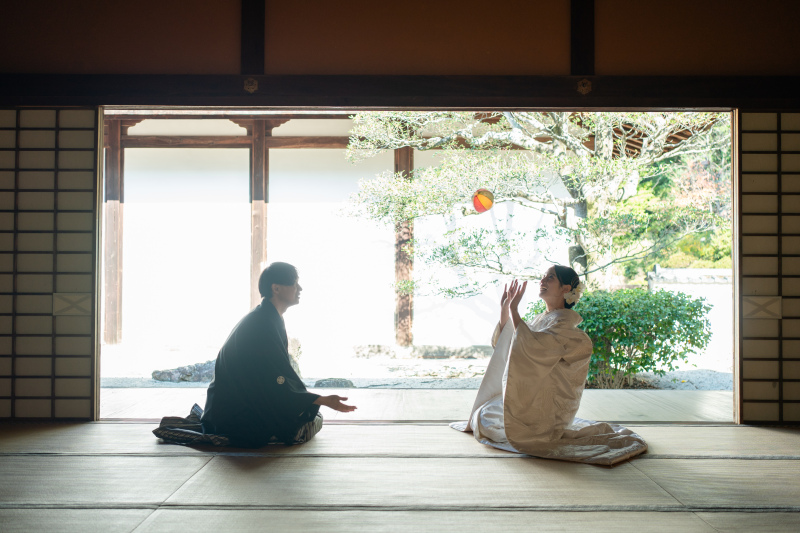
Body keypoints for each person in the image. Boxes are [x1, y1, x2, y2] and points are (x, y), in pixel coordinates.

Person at [450, 265, 647, 465]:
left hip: (549, 409)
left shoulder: (566, 327)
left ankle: (540, 426)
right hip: (535, 399)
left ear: (565, 288)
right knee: (486, 412)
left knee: (486, 420)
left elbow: (533, 346)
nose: (542, 281)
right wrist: (505, 310)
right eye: (543, 277)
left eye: (550, 277)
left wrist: (514, 310)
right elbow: (513, 345)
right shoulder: (544, 320)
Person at [199, 262, 356, 447]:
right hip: (233, 416)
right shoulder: (262, 324)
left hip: (229, 407)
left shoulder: (266, 317)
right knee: (309, 422)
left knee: (311, 414)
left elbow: (273, 375)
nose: (300, 289)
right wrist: (320, 400)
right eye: (295, 284)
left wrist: (310, 400)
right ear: (276, 288)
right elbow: (274, 379)